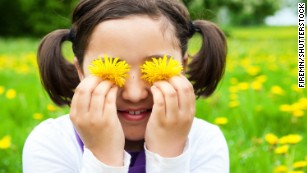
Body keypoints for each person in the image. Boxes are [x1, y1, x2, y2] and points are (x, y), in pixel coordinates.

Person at [22, 0, 229, 172]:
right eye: (109, 71)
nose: (134, 94)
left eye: (156, 67)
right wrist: (102, 157)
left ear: (182, 67)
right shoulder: (51, 143)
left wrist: (169, 156)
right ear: (81, 71)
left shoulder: (205, 142)